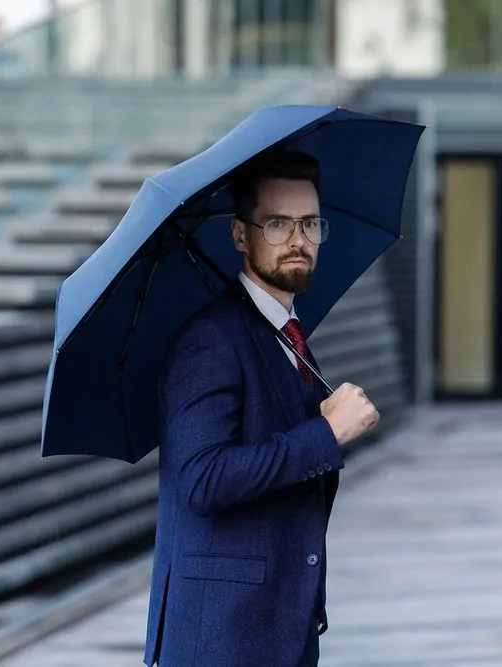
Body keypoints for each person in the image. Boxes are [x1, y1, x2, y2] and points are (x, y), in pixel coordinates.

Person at [143, 149, 380, 666]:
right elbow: (203, 479)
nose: (297, 239)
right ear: (240, 235)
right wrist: (326, 433)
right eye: (276, 223)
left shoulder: (286, 335)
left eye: (310, 223)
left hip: (281, 632)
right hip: (223, 641)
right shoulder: (209, 340)